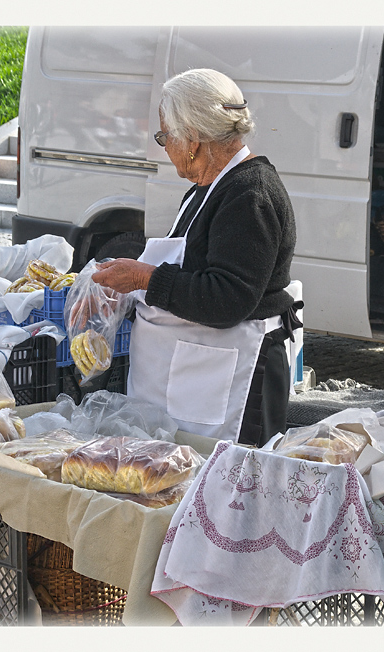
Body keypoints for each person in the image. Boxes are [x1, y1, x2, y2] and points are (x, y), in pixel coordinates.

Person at [90, 68, 299, 447]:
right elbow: (194, 265)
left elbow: (229, 297)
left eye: (165, 135)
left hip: (235, 379)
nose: (163, 146)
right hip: (196, 377)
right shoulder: (206, 188)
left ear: (193, 139)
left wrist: (144, 279)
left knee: (228, 493)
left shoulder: (249, 194)